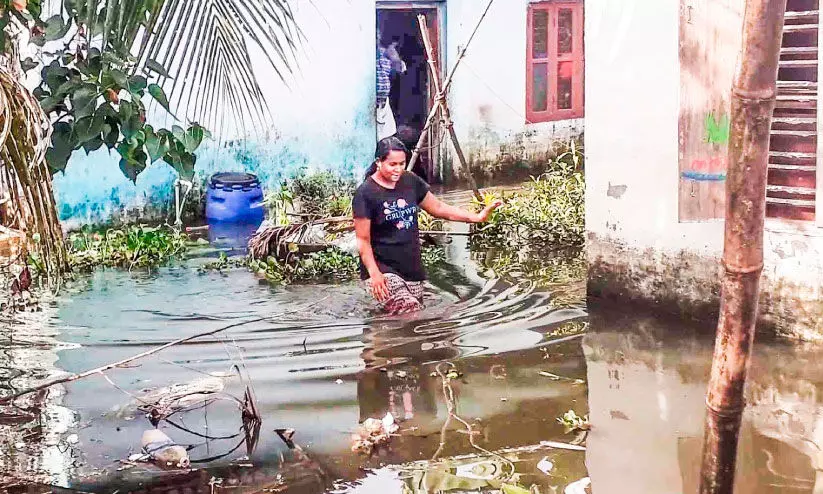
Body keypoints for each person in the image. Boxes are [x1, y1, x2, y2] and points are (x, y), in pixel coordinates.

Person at [353, 137, 502, 314]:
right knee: (410, 311)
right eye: (393, 164)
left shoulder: (410, 182)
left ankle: (379, 338)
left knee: (403, 316)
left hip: (411, 267)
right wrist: (374, 274)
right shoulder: (365, 194)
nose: (398, 169)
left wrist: (476, 218)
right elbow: (363, 241)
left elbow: (438, 207)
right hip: (383, 269)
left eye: (402, 163)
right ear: (379, 162)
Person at [376, 30, 406, 141]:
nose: (376, 39)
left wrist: (394, 56)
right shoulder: (365, 56)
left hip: (384, 104)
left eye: (377, 36)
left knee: (386, 137)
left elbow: (400, 69)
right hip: (371, 104)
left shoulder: (385, 54)